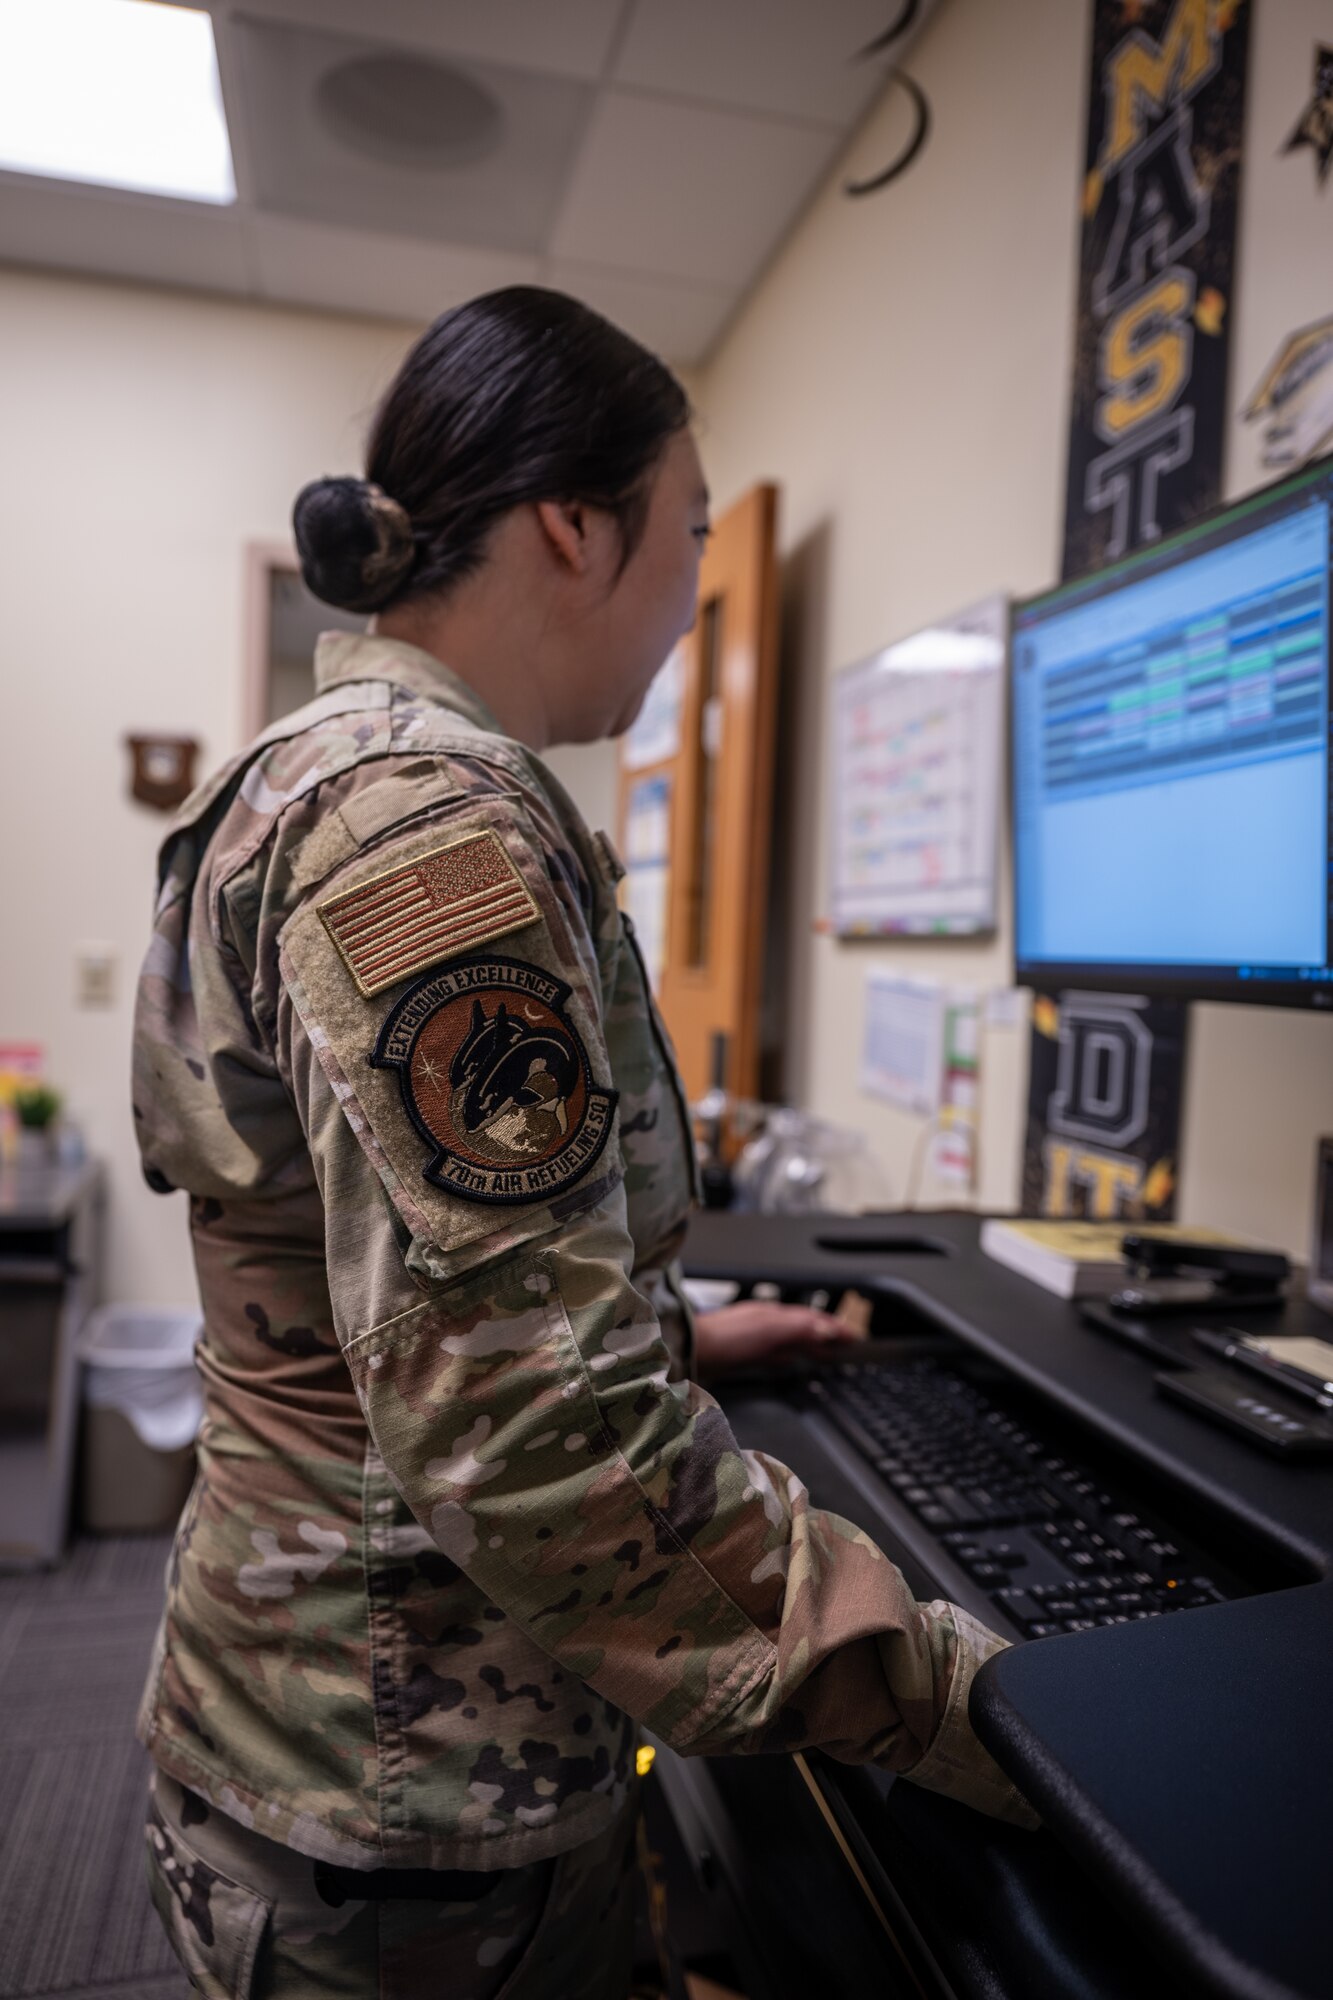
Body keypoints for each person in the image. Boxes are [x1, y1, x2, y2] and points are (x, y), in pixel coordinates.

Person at [134, 287, 1035, 2000]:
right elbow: (528, 1429)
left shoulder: (321, 773)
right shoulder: (425, 828)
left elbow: (386, 1305)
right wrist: (974, 1704)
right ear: (575, 523)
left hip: (337, 1714)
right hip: (404, 1790)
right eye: (688, 535)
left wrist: (681, 1336)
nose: (696, 600)